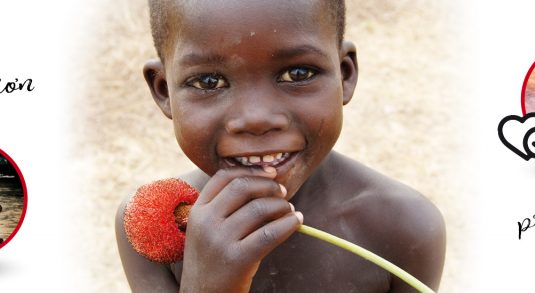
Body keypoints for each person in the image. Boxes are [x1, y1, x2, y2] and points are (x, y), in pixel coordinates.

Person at [116, 0, 445, 291]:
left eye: (298, 73)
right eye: (208, 81)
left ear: (345, 74)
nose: (257, 119)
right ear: (163, 90)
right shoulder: (153, 227)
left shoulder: (404, 228)